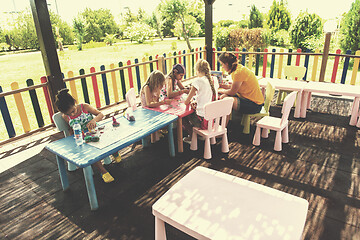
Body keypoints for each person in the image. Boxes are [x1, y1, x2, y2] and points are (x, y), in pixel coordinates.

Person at [54, 89, 118, 183]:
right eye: (69, 113)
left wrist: (94, 121)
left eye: (73, 111)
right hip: (84, 139)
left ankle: (115, 153)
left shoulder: (84, 107)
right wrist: (74, 139)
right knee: (91, 150)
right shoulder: (65, 117)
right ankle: (103, 172)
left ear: (74, 103)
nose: (72, 114)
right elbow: (71, 129)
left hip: (95, 132)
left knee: (110, 136)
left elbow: (100, 114)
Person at [217, 52, 264, 119]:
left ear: (226, 64)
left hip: (254, 104)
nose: (222, 67)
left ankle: (225, 126)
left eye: (222, 64)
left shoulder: (238, 73)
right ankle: (228, 122)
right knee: (223, 97)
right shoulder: (238, 68)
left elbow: (232, 92)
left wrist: (222, 90)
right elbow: (234, 87)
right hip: (246, 98)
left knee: (226, 100)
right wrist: (222, 86)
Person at [183, 59, 217, 143]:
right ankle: (199, 135)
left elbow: (186, 102)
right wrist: (196, 102)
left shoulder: (198, 81)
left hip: (201, 121)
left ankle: (192, 136)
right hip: (212, 119)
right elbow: (206, 96)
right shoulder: (214, 79)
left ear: (197, 71)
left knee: (183, 117)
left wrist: (191, 101)